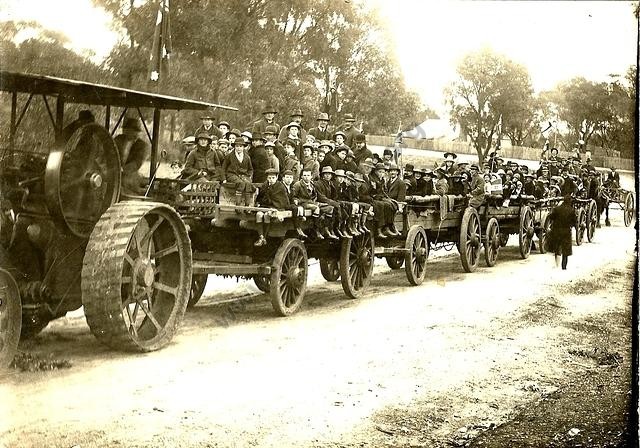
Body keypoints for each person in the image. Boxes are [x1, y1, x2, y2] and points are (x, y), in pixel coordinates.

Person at [114, 117, 150, 195]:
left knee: (125, 184)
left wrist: (121, 170)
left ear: (137, 132)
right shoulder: (118, 140)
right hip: (115, 172)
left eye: (133, 130)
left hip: (130, 176)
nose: (127, 132)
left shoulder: (143, 146)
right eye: (126, 129)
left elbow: (136, 163)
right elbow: (111, 152)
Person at [222, 137, 255, 206]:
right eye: (237, 146)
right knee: (240, 183)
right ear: (234, 147)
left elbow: (250, 169)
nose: (239, 148)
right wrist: (224, 179)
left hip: (243, 175)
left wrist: (249, 176)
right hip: (232, 174)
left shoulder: (247, 157)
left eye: (241, 146)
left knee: (248, 184)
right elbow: (223, 168)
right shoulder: (229, 156)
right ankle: (238, 205)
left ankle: (247, 205)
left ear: (243, 147)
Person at [547, 195, 577, 270]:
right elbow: (574, 222)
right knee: (565, 250)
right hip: (566, 231)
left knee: (557, 248)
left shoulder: (557, 209)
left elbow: (551, 217)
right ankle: (564, 266)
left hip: (557, 231)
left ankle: (557, 265)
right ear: (570, 201)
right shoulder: (571, 210)